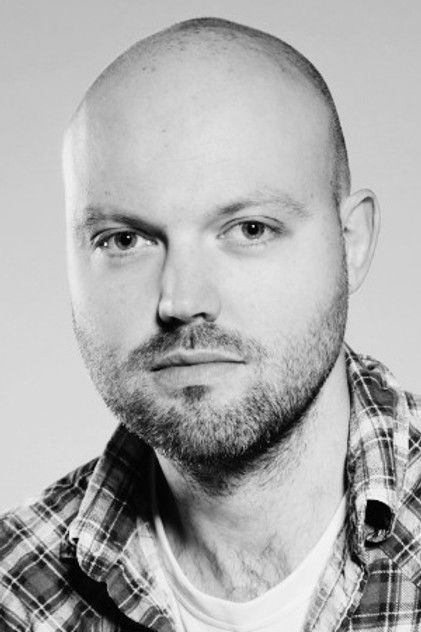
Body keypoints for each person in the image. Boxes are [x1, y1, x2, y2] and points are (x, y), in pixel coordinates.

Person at [1, 16, 420, 632]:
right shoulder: (16, 591)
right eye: (125, 239)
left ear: (351, 244)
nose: (182, 300)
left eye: (249, 229)